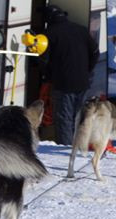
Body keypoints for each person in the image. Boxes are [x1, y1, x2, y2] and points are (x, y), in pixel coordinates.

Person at [43, 5, 99, 145]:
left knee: (64, 118)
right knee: (79, 117)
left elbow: (44, 60)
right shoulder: (81, 30)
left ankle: (66, 147)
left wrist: (48, 76)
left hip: (63, 84)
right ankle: (78, 145)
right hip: (82, 82)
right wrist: (87, 70)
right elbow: (95, 53)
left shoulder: (49, 34)